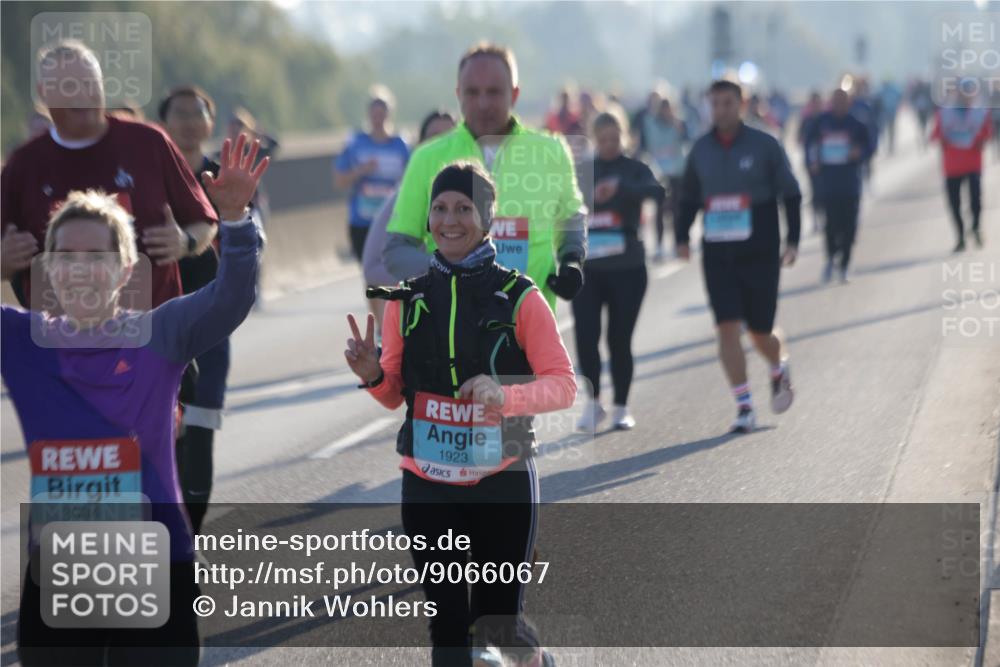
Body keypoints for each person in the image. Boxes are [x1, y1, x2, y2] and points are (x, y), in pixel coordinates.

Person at [6, 134, 267, 666]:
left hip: (155, 559)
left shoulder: (160, 333)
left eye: (97, 255)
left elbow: (231, 297)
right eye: (67, 255)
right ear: (48, 269)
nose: (81, 268)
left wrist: (236, 221)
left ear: (126, 268)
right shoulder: (20, 341)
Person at [349, 162, 573, 667]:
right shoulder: (406, 299)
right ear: (427, 219)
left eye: (464, 209)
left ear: (488, 219)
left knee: (499, 623)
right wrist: (370, 374)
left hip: (502, 476)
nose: (450, 220)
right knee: (449, 628)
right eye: (440, 208)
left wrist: (504, 396)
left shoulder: (520, 296)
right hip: (428, 480)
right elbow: (392, 394)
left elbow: (563, 386)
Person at [1, 40, 218, 309]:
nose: (82, 95)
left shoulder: (148, 142)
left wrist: (185, 242)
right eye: (68, 86)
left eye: (90, 84)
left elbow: (204, 221)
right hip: (61, 342)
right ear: (43, 93)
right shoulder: (22, 165)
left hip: (151, 334)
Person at [383, 42, 587, 311]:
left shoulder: (551, 150)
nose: (483, 103)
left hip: (528, 329)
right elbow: (397, 251)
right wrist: (449, 274)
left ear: (514, 94)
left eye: (494, 92)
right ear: (458, 94)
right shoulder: (426, 157)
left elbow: (571, 217)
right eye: (472, 92)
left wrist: (572, 259)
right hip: (450, 330)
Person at [675, 79, 801, 434]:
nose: (721, 110)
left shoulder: (765, 145)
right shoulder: (700, 150)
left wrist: (792, 240)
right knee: (726, 326)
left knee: (760, 331)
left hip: (759, 247)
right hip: (718, 252)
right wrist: (682, 236)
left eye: (727, 103)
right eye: (715, 104)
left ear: (741, 104)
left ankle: (778, 366)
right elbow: (688, 197)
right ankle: (744, 405)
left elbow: (791, 194)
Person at [159, 84, 236, 533]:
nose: (188, 121)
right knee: (161, 437)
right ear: (162, 122)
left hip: (208, 326)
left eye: (197, 113)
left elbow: (246, 243)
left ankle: (191, 536)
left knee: (201, 429)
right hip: (155, 324)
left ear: (210, 122)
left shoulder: (223, 179)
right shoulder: (145, 174)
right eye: (179, 112)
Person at [574, 112, 664, 431]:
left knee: (618, 339)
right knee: (585, 338)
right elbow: (563, 208)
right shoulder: (583, 171)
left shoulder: (636, 168)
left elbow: (658, 193)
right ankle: (593, 402)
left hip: (628, 268)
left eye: (615, 139)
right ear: (594, 140)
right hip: (589, 270)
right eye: (603, 140)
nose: (610, 145)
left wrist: (622, 188)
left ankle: (621, 406)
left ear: (624, 136)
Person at [362, 110, 456, 337]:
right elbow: (372, 266)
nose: (442, 147)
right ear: (420, 145)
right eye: (434, 138)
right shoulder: (403, 197)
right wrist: (436, 273)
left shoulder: (481, 195)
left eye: (450, 138)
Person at [804, 88, 874, 283]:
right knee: (831, 225)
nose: (838, 105)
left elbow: (870, 145)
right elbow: (809, 145)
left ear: (849, 102)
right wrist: (812, 163)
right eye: (835, 101)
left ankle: (845, 263)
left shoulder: (857, 124)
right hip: (828, 183)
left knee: (849, 225)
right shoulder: (821, 122)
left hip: (850, 183)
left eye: (842, 101)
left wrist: (860, 153)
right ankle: (830, 257)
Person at [334, 86, 411, 262]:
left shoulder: (401, 146)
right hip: (362, 221)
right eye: (374, 114)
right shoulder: (356, 143)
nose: (378, 119)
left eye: (382, 114)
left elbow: (413, 180)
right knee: (370, 273)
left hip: (392, 222)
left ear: (389, 114)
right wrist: (361, 171)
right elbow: (339, 180)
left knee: (389, 273)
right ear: (368, 114)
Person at [931, 85, 993, 251]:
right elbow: (935, 135)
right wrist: (948, 138)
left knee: (975, 200)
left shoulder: (980, 113)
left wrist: (976, 138)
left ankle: (975, 227)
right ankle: (960, 236)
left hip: (973, 164)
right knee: (954, 203)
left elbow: (988, 133)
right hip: (952, 166)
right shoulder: (944, 113)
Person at [642, 97, 687, 261]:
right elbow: (646, 145)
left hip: (676, 173)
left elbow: (686, 140)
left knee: (675, 210)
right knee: (660, 210)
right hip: (659, 173)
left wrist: (680, 128)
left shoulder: (679, 124)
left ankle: (676, 244)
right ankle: (659, 246)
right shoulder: (651, 125)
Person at [797, 90, 826, 234]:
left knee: (825, 191)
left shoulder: (826, 119)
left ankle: (824, 217)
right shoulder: (807, 120)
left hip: (827, 162)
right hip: (811, 162)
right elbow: (799, 138)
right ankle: (815, 220)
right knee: (814, 191)